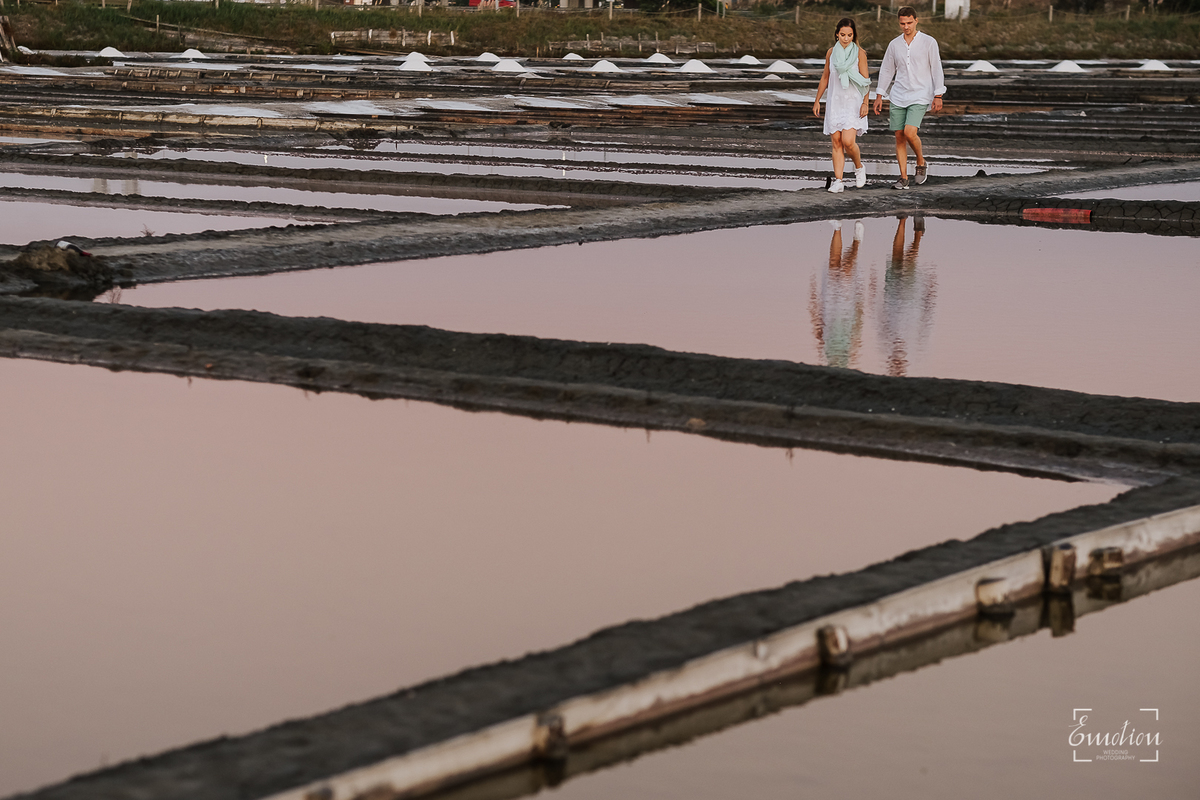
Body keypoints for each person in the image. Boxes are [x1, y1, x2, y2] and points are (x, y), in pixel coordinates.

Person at [873, 7, 946, 190]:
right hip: (898, 94)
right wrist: (879, 95)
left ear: (916, 20)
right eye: (902, 23)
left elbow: (936, 68)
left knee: (909, 132)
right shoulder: (894, 44)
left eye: (909, 23)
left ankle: (921, 162)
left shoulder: (929, 42)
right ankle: (903, 178)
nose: (906, 27)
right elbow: (887, 70)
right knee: (899, 136)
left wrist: (938, 94)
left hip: (921, 94)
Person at [812, 18, 871, 194]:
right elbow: (825, 77)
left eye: (849, 35)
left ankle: (859, 167)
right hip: (835, 101)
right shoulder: (831, 52)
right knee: (836, 142)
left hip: (853, 102)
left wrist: (865, 103)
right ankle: (838, 181)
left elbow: (866, 81)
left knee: (848, 142)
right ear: (837, 34)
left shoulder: (860, 53)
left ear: (854, 35)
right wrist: (817, 100)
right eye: (843, 34)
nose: (846, 38)